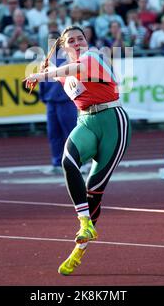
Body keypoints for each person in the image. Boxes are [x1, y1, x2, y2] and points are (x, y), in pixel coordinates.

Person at [24, 25, 130, 275]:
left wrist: (42, 75)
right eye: (71, 40)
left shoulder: (93, 56)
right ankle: (84, 222)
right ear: (63, 47)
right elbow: (63, 74)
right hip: (86, 122)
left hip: (112, 122)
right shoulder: (62, 72)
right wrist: (46, 73)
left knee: (94, 191)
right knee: (68, 160)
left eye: (80, 38)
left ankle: (78, 251)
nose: (77, 42)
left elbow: (77, 69)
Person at [39, 34, 78, 173]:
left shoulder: (69, 57)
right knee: (53, 133)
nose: (52, 45)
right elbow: (42, 79)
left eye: (55, 42)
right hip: (51, 102)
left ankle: (79, 163)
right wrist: (43, 96)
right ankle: (56, 163)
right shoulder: (46, 60)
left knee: (71, 133)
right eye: (50, 42)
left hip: (66, 101)